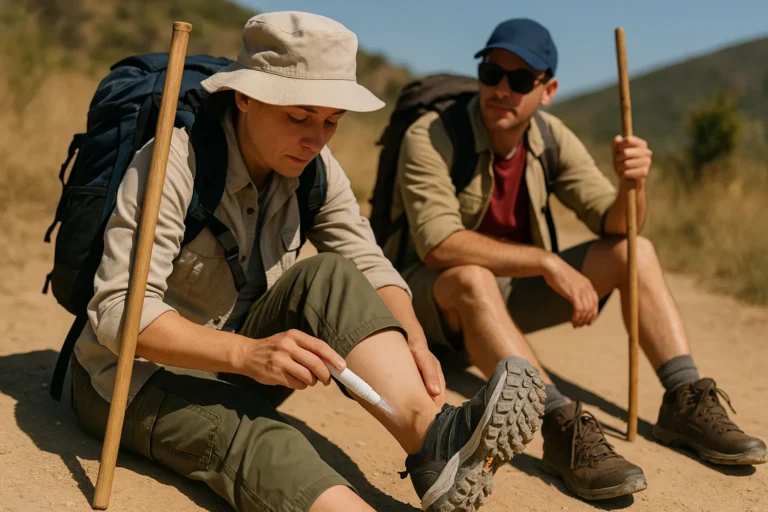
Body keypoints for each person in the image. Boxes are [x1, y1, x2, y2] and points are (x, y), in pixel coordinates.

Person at [69, 12, 545, 512]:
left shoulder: (314, 167)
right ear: (246, 98)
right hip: (132, 378)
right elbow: (119, 312)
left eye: (332, 121)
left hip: (239, 361)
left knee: (331, 274)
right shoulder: (173, 161)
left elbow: (365, 258)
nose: (316, 139)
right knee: (269, 442)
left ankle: (434, 442)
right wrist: (248, 356)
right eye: (300, 116)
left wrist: (412, 335)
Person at [383, 17, 767, 501]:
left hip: (501, 298)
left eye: (520, 80)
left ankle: (684, 400)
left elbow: (617, 224)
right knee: (471, 277)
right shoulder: (433, 134)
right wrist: (548, 262)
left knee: (636, 250)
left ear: (547, 90)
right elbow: (437, 245)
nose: (501, 89)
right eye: (491, 73)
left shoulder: (549, 136)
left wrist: (633, 185)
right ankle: (559, 425)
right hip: (431, 305)